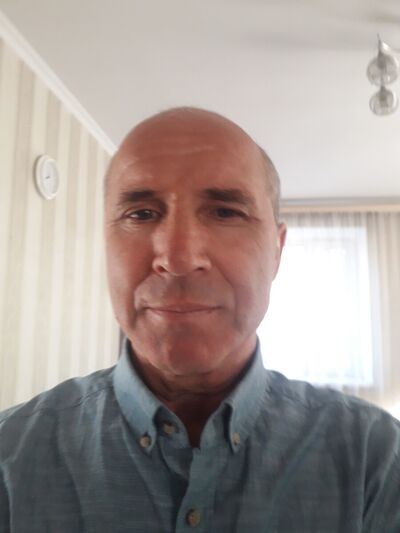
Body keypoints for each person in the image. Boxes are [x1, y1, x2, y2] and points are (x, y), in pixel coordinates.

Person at [0, 107, 399, 532]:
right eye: (141, 214)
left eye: (225, 212)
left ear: (276, 251)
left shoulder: (375, 462)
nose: (178, 258)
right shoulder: (11, 457)